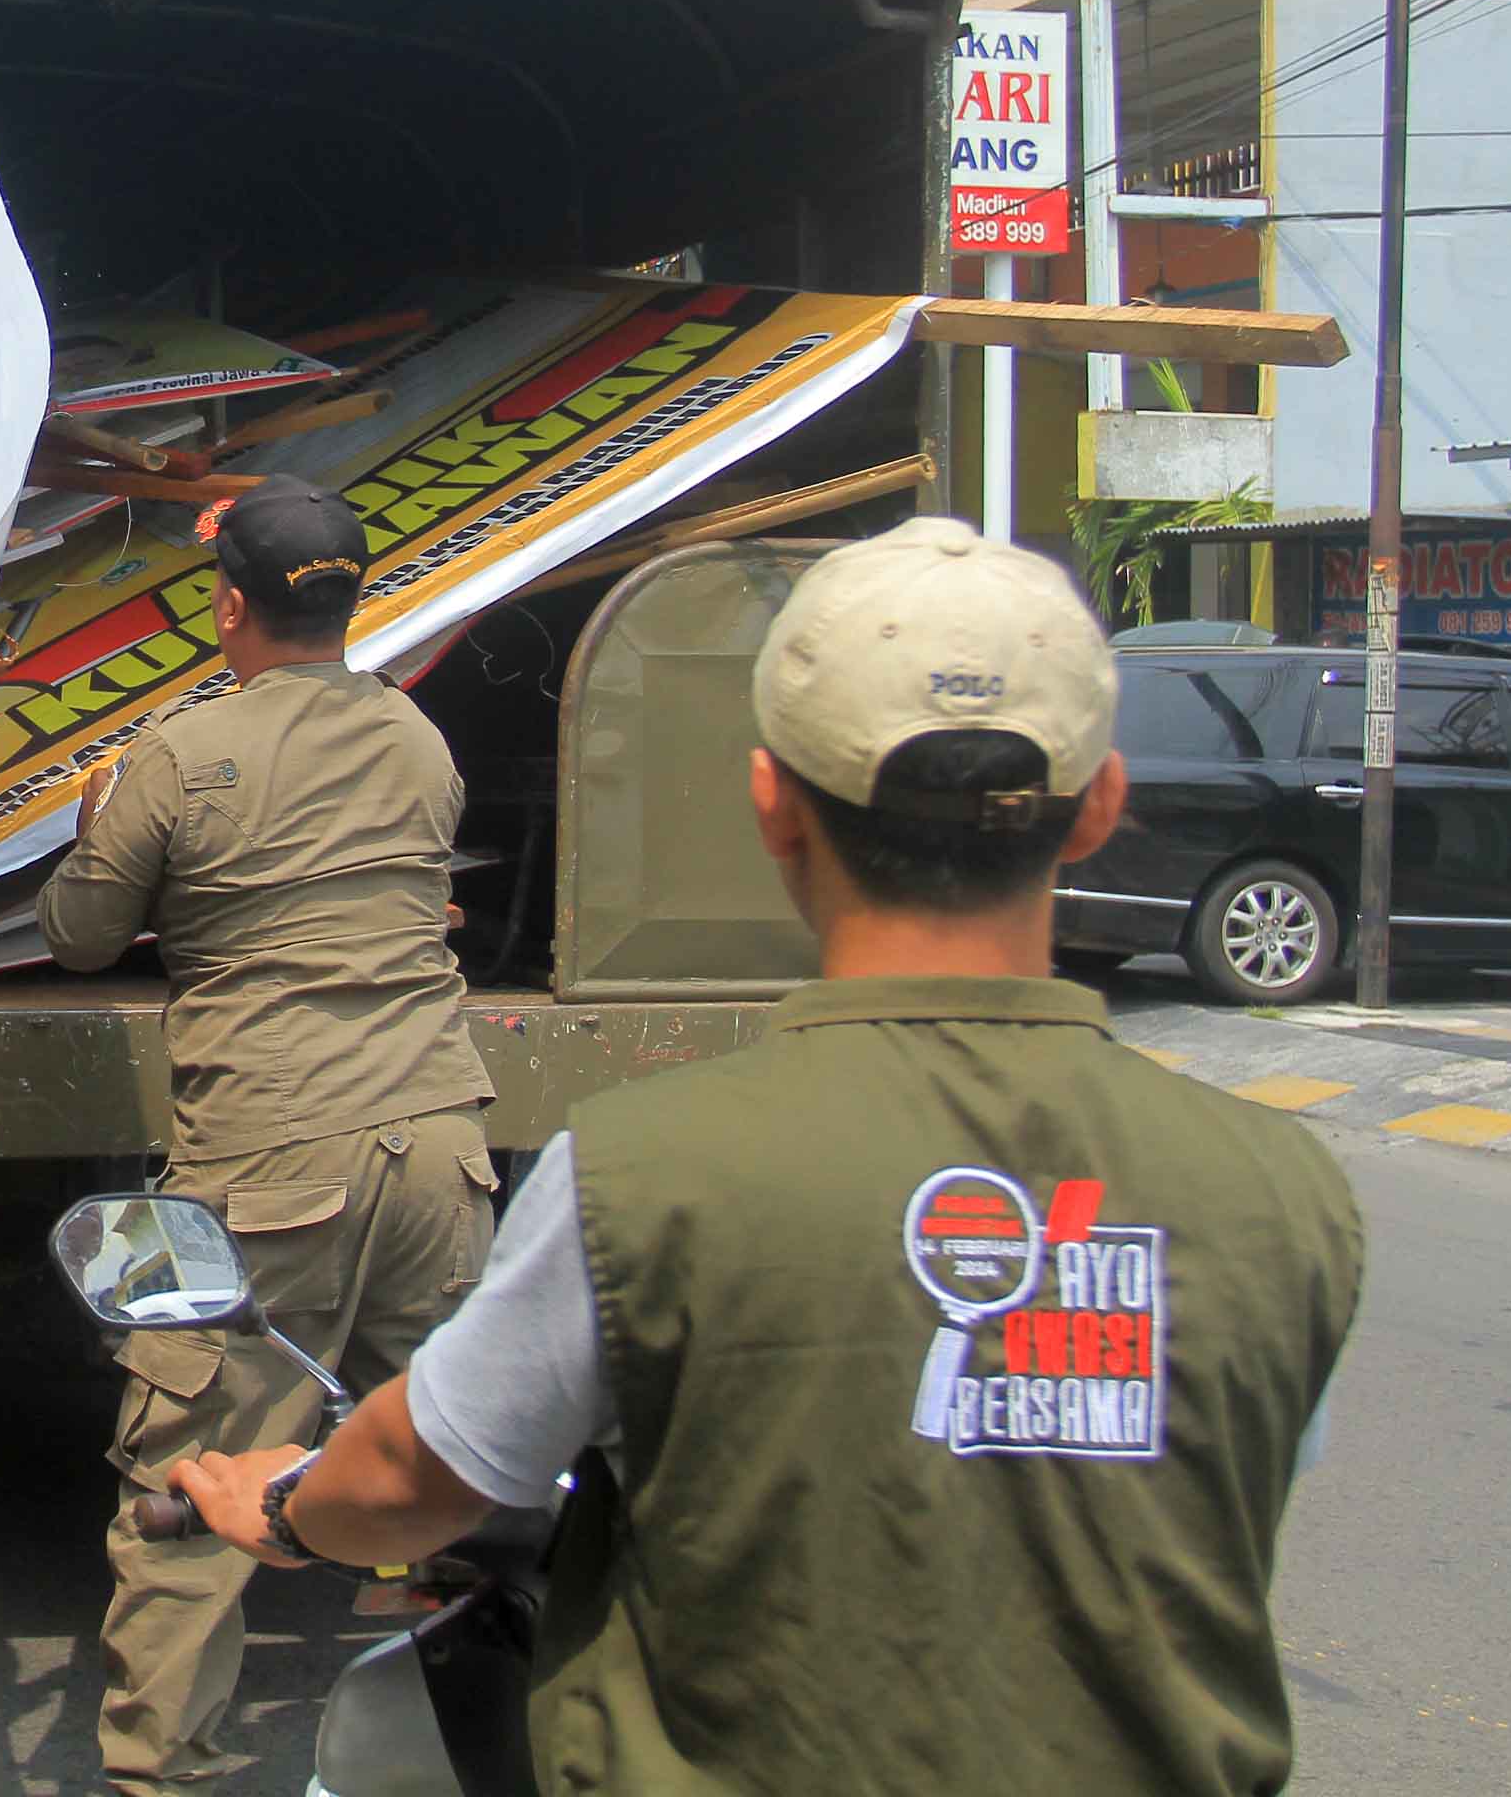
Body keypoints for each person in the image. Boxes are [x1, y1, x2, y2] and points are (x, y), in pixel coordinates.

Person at [169, 519, 1366, 1793]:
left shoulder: (641, 1175)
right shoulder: (1288, 1199)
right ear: (1099, 810)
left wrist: (284, 1504)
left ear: (771, 805)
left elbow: (418, 1475)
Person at [35, 475, 496, 1796]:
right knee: (459, 1473)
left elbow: (76, 937)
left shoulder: (183, 757)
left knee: (189, 1486)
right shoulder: (419, 740)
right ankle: (485, 1746)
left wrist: (92, 826)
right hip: (438, 1152)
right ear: (353, 603)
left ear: (225, 607)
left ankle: (164, 1775)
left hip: (267, 1163)